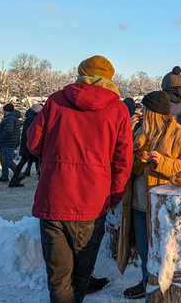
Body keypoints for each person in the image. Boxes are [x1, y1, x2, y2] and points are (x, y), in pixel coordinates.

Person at [27, 55, 133, 303]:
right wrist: (114, 195)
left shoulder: (55, 101)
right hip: (93, 202)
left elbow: (33, 144)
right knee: (81, 275)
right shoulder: (118, 109)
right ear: (109, 78)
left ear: (80, 74)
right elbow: (123, 161)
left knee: (58, 278)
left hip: (54, 198)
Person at [117, 91, 181, 300]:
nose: (142, 113)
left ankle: (163, 295)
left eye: (146, 109)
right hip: (137, 205)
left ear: (155, 113)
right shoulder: (140, 132)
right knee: (145, 257)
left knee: (163, 258)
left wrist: (164, 162)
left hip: (163, 210)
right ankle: (148, 290)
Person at [9, 103, 42, 187]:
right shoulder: (32, 119)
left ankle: (15, 178)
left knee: (24, 161)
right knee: (36, 160)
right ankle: (40, 177)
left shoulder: (30, 117)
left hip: (27, 144)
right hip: (30, 144)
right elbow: (31, 132)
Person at [0, 103, 22, 183]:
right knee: (3, 160)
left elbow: (8, 131)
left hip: (8, 143)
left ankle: (19, 174)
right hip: (8, 142)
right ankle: (4, 176)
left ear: (6, 110)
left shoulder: (10, 118)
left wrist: (0, 139)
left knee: (7, 160)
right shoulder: (12, 118)